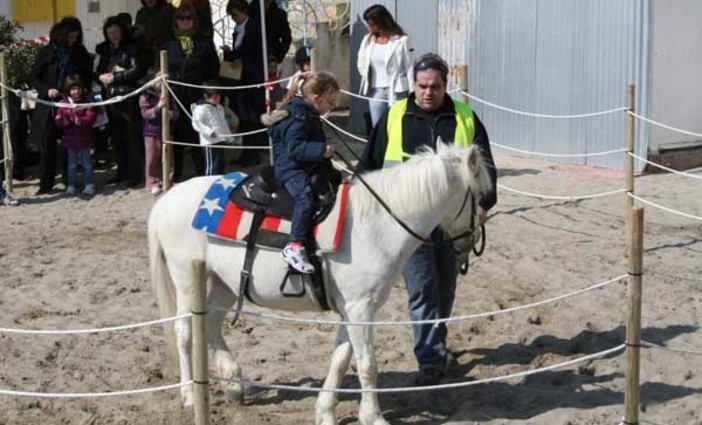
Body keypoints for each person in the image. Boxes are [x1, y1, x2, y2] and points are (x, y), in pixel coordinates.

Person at [359, 53, 498, 386]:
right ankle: (431, 359)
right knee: (422, 290)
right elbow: (369, 165)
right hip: (406, 225)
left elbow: (486, 166)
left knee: (446, 289)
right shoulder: (394, 117)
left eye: (435, 86)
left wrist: (485, 204)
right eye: (422, 86)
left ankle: (437, 341)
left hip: (453, 223)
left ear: (445, 85)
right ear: (413, 84)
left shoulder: (465, 117)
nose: (428, 92)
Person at [262, 71, 338, 273]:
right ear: (317, 98)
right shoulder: (298, 116)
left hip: (306, 165)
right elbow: (294, 148)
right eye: (330, 102)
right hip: (290, 170)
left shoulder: (308, 113)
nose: (332, 106)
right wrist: (320, 151)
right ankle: (294, 245)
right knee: (305, 199)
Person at [29, 17, 93, 195]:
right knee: (47, 144)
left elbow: (88, 74)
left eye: (75, 37)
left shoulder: (79, 51)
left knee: (69, 144)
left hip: (71, 103)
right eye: (70, 37)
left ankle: (69, 180)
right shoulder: (47, 52)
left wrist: (82, 91)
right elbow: (33, 77)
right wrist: (47, 89)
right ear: (61, 35)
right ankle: (46, 184)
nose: (73, 40)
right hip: (49, 104)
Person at [163, 5, 219, 181]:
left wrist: (207, 90)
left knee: (199, 132)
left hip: (197, 94)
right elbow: (160, 67)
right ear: (176, 21)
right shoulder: (168, 42)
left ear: (194, 20)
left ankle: (202, 172)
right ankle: (177, 172)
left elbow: (213, 68)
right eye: (181, 18)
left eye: (188, 18)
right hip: (176, 95)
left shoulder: (204, 42)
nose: (185, 21)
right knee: (177, 134)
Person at [96, 15, 149, 188]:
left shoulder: (131, 48)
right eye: (110, 32)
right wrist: (101, 77)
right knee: (117, 137)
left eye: (116, 31)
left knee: (132, 136)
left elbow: (137, 69)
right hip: (110, 98)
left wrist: (115, 77)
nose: (114, 35)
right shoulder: (107, 51)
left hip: (128, 97)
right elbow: (98, 71)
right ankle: (122, 171)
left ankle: (136, 173)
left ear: (122, 31)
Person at [356, 4, 414, 128]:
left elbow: (410, 67)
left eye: (372, 24)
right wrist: (367, 77)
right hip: (375, 91)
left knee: (397, 125)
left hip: (397, 90)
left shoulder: (402, 40)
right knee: (378, 127)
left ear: (381, 21)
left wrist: (413, 93)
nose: (369, 27)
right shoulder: (367, 40)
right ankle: (381, 148)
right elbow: (361, 63)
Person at [224, 0, 266, 166]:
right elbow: (238, 52)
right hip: (240, 78)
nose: (234, 18)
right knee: (243, 117)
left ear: (243, 11)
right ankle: (246, 152)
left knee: (252, 117)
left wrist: (241, 59)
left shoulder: (254, 28)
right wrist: (230, 54)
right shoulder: (238, 30)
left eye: (235, 14)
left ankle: (253, 154)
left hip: (252, 78)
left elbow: (255, 53)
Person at [54, 74, 97, 196]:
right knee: (71, 164)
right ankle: (71, 185)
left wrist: (82, 121)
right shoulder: (64, 103)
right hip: (70, 140)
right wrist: (62, 122)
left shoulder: (87, 102)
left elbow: (91, 117)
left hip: (84, 139)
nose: (76, 91)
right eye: (73, 89)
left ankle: (89, 185)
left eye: (78, 88)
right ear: (68, 90)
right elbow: (58, 118)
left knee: (87, 163)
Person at [139, 69, 179, 195]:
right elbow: (145, 114)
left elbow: (177, 112)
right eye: (159, 77)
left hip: (167, 130)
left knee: (168, 157)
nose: (162, 80)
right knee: (152, 158)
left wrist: (171, 114)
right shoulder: (145, 96)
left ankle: (168, 180)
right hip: (152, 132)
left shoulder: (169, 93)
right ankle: (153, 182)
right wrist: (158, 108)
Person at [191, 87, 236, 176]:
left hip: (220, 140)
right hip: (210, 142)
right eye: (214, 97)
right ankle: (209, 184)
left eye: (218, 97)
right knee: (212, 166)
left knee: (221, 165)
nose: (217, 99)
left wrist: (230, 138)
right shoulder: (201, 108)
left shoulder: (219, 108)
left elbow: (224, 124)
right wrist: (209, 132)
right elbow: (197, 123)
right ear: (206, 96)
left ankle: (219, 183)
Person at [249, 0, 293, 66]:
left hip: (270, 59)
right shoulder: (249, 12)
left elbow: (287, 38)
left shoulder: (280, 15)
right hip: (251, 59)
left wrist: (277, 56)